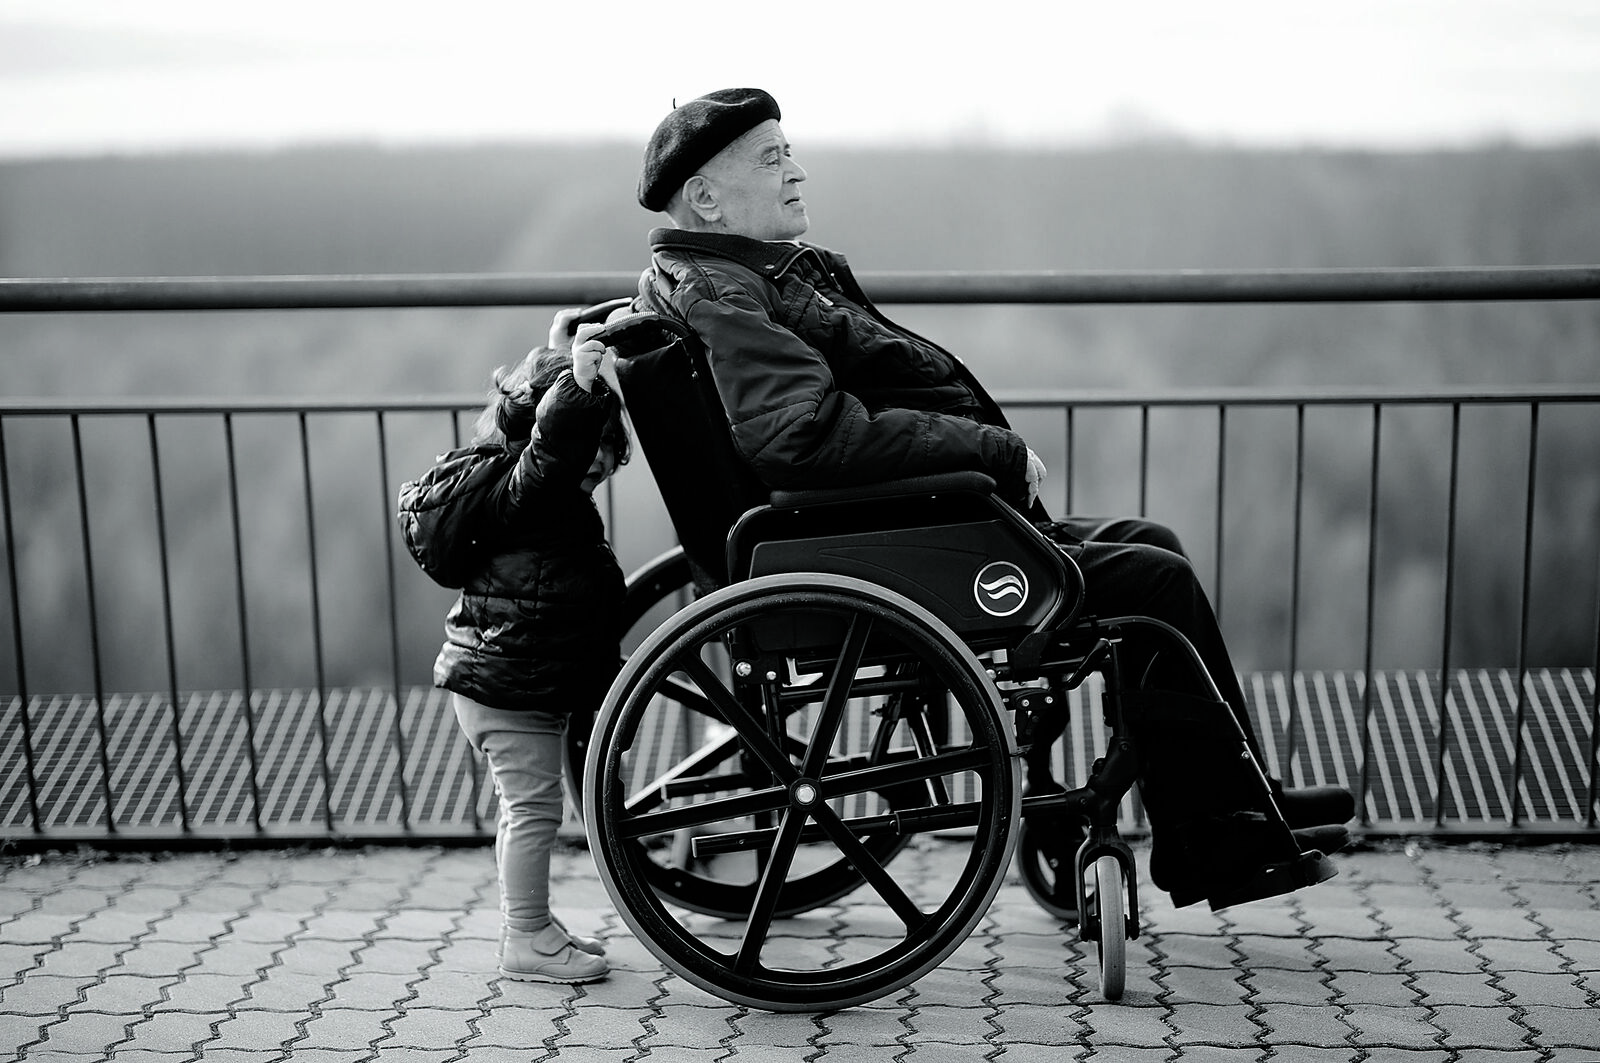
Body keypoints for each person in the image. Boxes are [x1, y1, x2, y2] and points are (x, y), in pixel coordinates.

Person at [628, 87, 1356, 909]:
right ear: (707, 197)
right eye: (772, 157)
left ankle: (1238, 795)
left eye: (788, 151)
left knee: (1149, 539)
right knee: (1154, 587)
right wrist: (987, 451)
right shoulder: (727, 295)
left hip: (899, 522)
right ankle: (1216, 837)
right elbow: (803, 437)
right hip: (889, 535)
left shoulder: (737, 277)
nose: (797, 170)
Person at [400, 308, 629, 981]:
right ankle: (524, 937)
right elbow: (552, 445)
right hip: (507, 684)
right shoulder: (531, 485)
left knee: (528, 808)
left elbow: (531, 414)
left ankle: (535, 924)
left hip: (508, 675)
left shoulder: (511, 472)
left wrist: (556, 353)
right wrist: (583, 387)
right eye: (594, 471)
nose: (592, 484)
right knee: (531, 811)